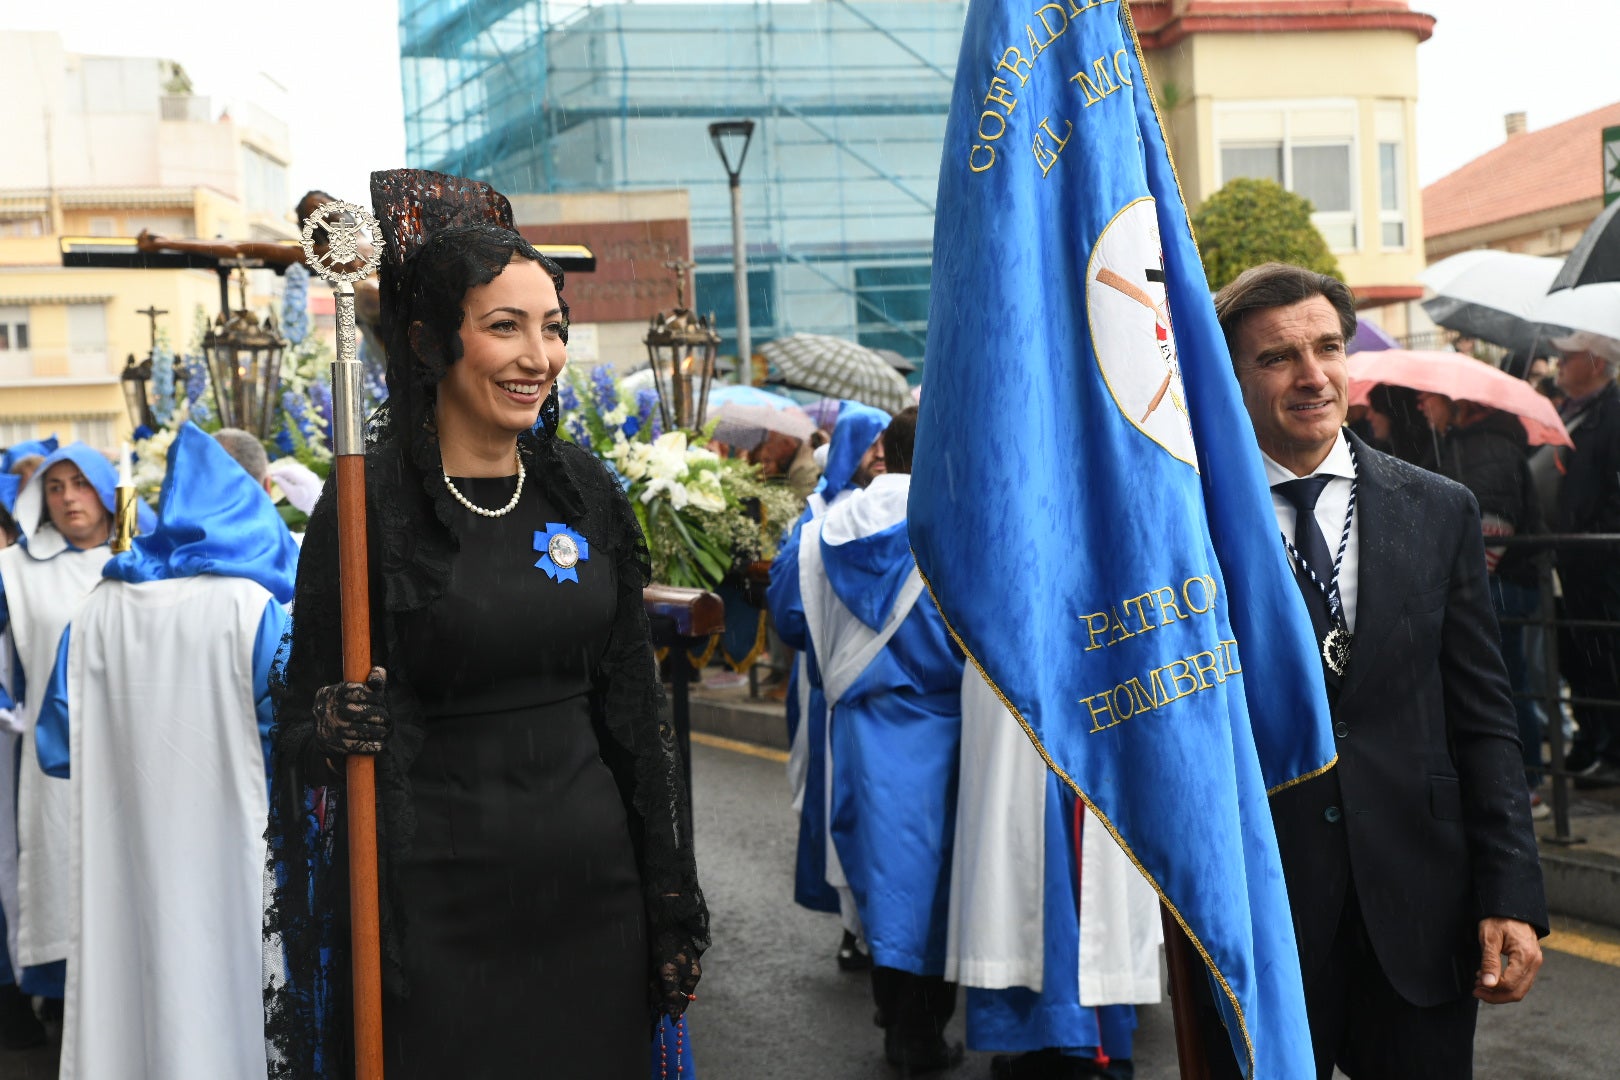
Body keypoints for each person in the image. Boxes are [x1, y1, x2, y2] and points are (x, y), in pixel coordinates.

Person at [263, 169, 706, 1079]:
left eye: (553, 329)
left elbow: (636, 720)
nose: (536, 357)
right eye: (504, 327)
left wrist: (666, 896)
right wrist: (335, 722)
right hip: (433, 917)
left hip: (594, 900)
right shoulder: (364, 506)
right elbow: (300, 720)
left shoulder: (584, 491)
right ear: (432, 343)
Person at [1209, 262, 1547, 1079]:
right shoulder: (1191, 526)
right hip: (1260, 918)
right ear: (1229, 374)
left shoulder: (1440, 509)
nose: (1312, 375)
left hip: (1423, 910)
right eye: (1277, 357)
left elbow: (1484, 719)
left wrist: (1510, 895)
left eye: (1329, 347)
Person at [34, 422, 298, 1080]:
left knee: (135, 1018)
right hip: (238, 861)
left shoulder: (95, 612)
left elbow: (56, 747)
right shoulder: (257, 608)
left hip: (127, 860)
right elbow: (297, 745)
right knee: (234, 1014)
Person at [788, 406, 966, 1071]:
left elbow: (788, 614)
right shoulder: (962, 522)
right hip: (951, 729)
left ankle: (896, 1015)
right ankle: (923, 1029)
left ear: (885, 451)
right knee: (943, 886)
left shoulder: (822, 526)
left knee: (886, 883)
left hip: (863, 729)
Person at [0, 444, 155, 1044]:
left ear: (105, 491)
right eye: (56, 487)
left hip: (136, 752)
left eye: (80, 484)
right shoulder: (19, 568)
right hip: (55, 762)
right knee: (65, 869)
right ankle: (66, 1008)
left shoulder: (146, 559)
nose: (67, 497)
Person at [949, 674, 1160, 1080]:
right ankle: (1054, 1037)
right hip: (1028, 672)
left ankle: (1081, 1043)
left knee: (1070, 859)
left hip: (1068, 673)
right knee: (1030, 857)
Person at [766, 402, 890, 970]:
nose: (881, 454)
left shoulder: (894, 505)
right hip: (830, 686)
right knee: (835, 799)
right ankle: (852, 921)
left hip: (889, 690)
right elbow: (789, 612)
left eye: (887, 443)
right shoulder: (816, 516)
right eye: (870, 444)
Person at [1546, 331, 1620, 788]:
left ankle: (1610, 753)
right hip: (1572, 562)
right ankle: (1593, 743)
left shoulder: (1612, 413)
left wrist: (1591, 539)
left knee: (1607, 657)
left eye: (1567, 357)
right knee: (1579, 660)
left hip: (1602, 565)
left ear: (1596, 362)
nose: (1557, 364)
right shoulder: (1572, 411)